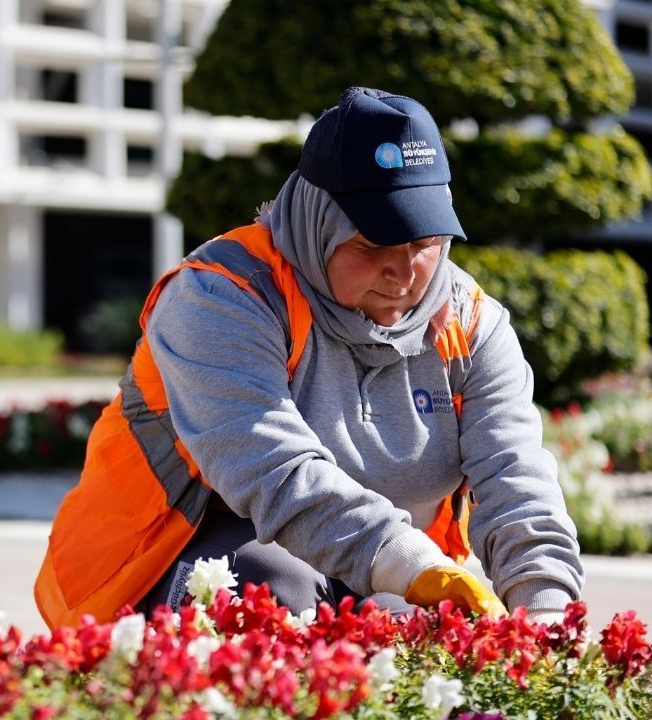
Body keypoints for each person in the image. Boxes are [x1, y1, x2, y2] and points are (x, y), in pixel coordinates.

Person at [35, 87, 583, 630]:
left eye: (423, 243)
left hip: (382, 568)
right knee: (265, 589)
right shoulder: (221, 297)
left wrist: (546, 610)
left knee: (412, 637)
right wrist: (413, 566)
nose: (403, 273)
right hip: (153, 571)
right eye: (372, 246)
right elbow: (274, 469)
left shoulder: (472, 323)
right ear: (317, 223)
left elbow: (515, 475)